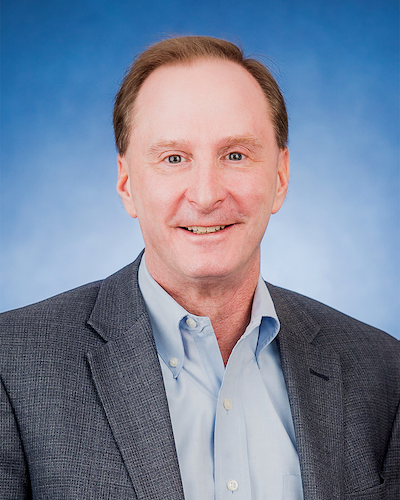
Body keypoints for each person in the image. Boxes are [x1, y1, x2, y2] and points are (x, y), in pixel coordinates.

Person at [0, 36, 399, 500]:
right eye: (173, 158)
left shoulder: (382, 371)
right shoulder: (13, 364)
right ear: (127, 183)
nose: (206, 195)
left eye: (236, 155)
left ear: (280, 177)